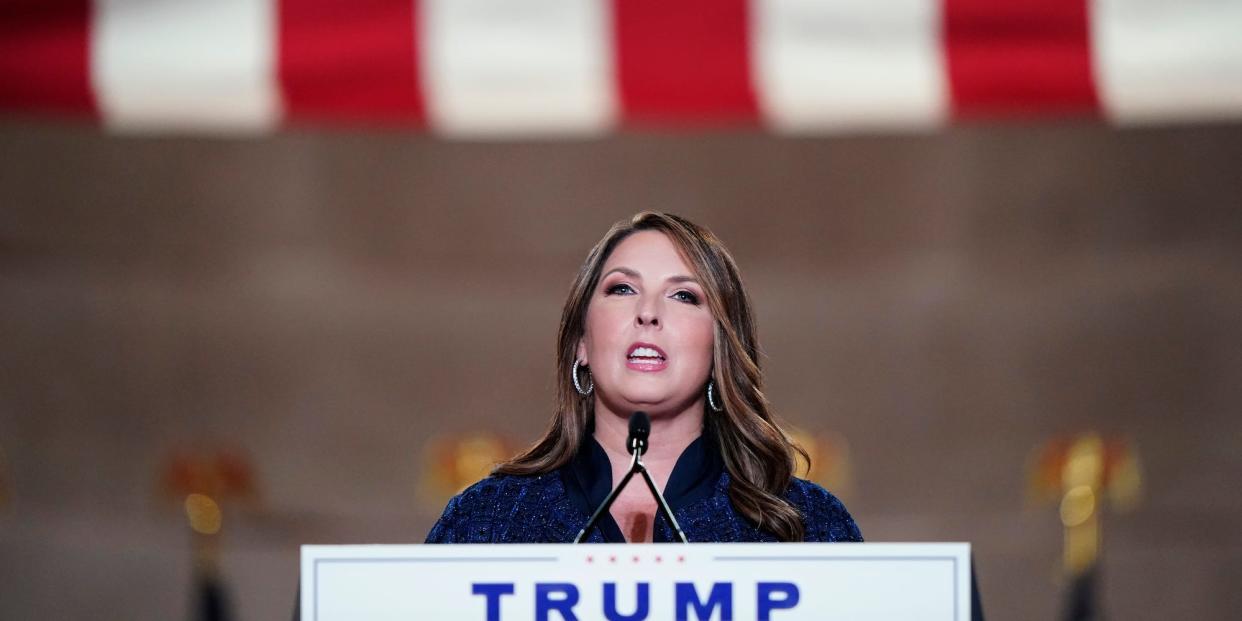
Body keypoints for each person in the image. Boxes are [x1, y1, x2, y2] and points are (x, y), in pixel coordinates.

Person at [425, 212, 861, 544]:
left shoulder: (805, 526)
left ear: (719, 351)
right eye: (622, 289)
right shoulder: (486, 523)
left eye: (684, 295)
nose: (648, 312)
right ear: (581, 341)